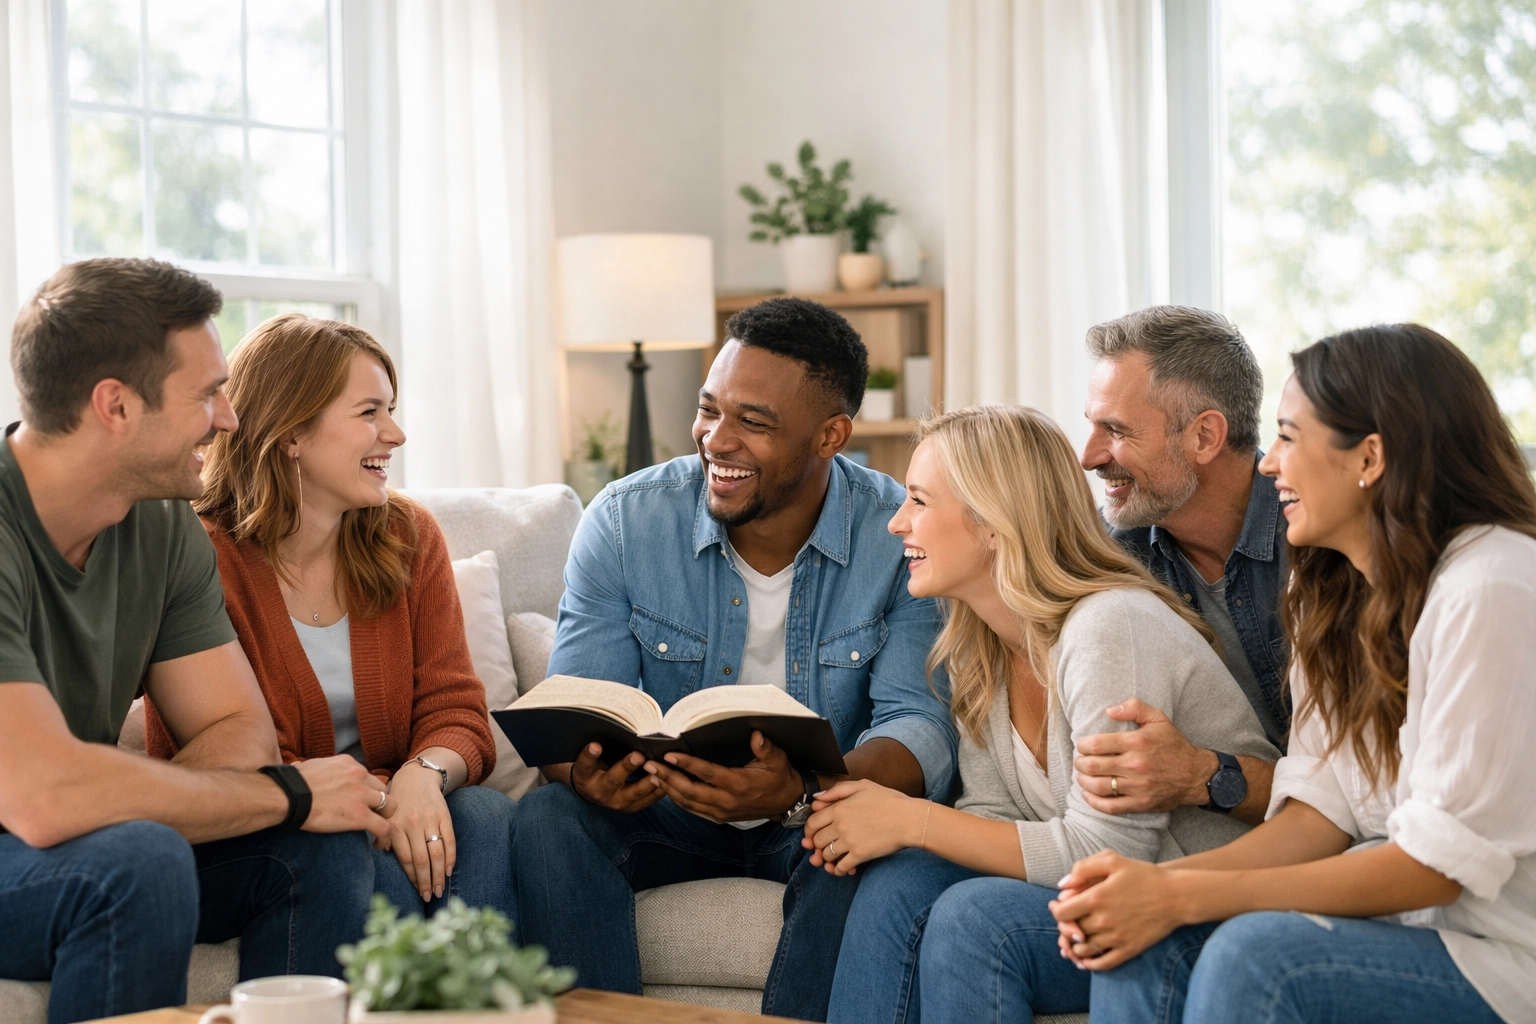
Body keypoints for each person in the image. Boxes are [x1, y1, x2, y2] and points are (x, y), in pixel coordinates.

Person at [1054, 324, 1536, 1024]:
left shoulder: (1491, 585)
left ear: (1369, 457)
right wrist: (1149, 889)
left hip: (1503, 953)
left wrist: (1183, 894)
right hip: (1413, 929)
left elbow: (1434, 866)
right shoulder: (1334, 590)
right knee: (1145, 940)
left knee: (1255, 953)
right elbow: (1319, 810)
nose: (1271, 464)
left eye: (1288, 436)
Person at [511, 297, 957, 1021]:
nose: (716, 440)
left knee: (869, 843)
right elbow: (577, 707)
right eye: (708, 409)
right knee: (549, 820)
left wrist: (802, 792)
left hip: (811, 816)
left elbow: (919, 729)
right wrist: (586, 774)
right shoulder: (626, 521)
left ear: (829, 436)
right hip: (663, 810)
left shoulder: (897, 532)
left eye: (753, 421)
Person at [0, 259, 390, 1023]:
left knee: (321, 845)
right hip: (33, 848)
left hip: (78, 842)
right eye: (207, 394)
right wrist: (286, 792)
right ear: (114, 405)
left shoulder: (159, 524)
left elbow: (238, 732)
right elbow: (44, 801)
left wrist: (99, 789)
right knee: (140, 861)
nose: (229, 419)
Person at [808, 405, 1279, 1024]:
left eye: (919, 501)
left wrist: (912, 819)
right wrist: (879, 827)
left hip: (1193, 905)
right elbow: (992, 815)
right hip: (1102, 898)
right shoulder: (982, 645)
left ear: (993, 524)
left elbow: (1111, 851)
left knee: (974, 918)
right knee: (901, 880)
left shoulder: (1109, 627)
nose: (897, 522)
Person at [144, 313, 514, 919]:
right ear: (292, 433)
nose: (394, 434)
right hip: (274, 818)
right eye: (369, 413)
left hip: (393, 790)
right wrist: (370, 800)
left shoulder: (409, 534)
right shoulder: (198, 555)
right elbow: (233, 749)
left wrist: (420, 777)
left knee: (489, 813)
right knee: (359, 859)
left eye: (390, 410)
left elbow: (456, 709)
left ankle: (491, 1006)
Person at [1076, 306, 1287, 828]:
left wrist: (1201, 773)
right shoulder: (1114, 557)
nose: (1089, 456)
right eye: (1093, 427)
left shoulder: (1320, 548)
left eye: (1117, 430)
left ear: (1205, 437)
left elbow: (1355, 788)